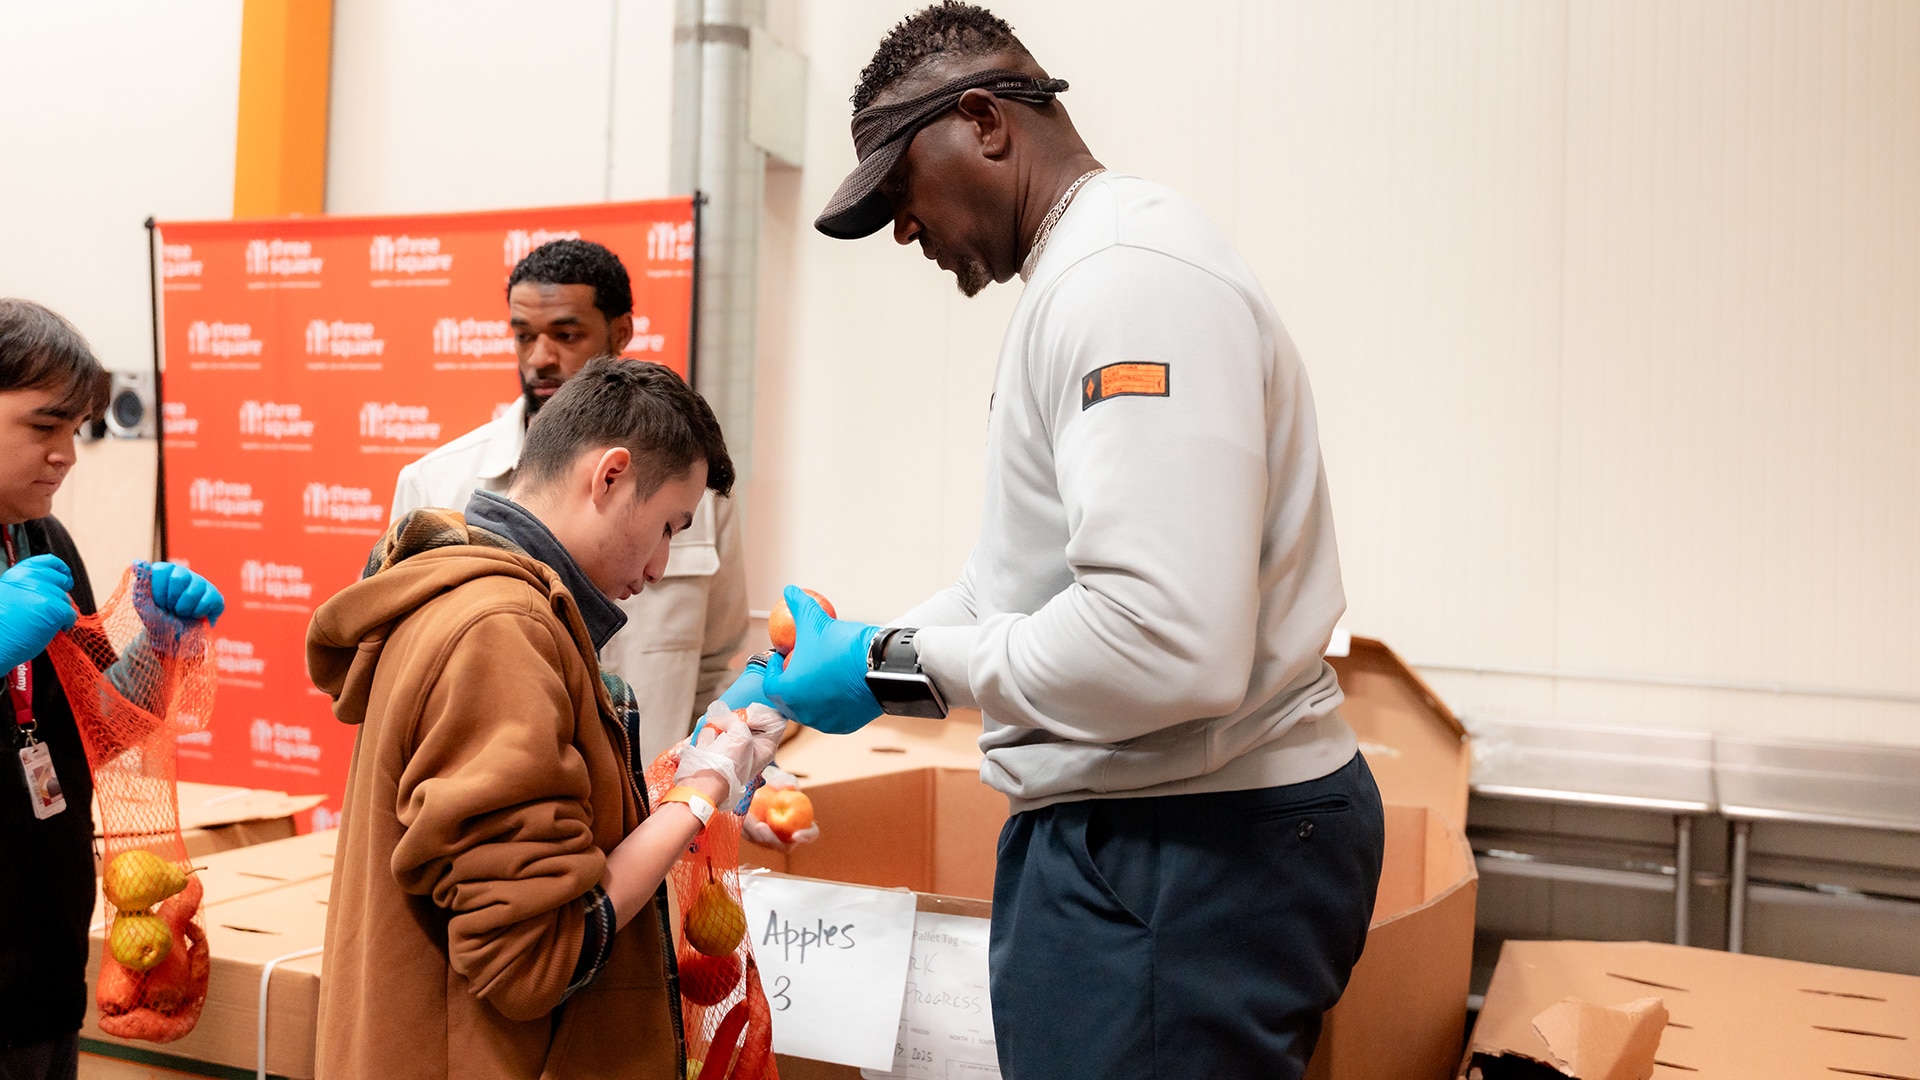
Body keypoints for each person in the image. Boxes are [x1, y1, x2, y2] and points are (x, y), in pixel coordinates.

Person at [750, 6, 1388, 1078]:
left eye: (904, 194)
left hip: (1187, 849)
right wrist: (867, 650)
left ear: (986, 122)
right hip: (1155, 837)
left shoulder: (1127, 283)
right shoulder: (1083, 281)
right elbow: (1017, 588)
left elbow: (1162, 641)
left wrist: (896, 665)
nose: (906, 232)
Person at [307, 358, 783, 1080]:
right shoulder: (501, 630)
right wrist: (698, 797)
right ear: (610, 476)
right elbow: (539, 958)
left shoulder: (490, 606)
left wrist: (674, 784)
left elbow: (550, 847)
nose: (658, 567)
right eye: (666, 528)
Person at [391, 239, 748, 761]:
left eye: (566, 334)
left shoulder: (694, 492)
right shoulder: (435, 485)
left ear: (620, 331)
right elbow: (404, 685)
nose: (540, 358)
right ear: (605, 478)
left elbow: (718, 667)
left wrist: (707, 785)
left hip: (650, 820)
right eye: (524, 336)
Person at [0, 299, 223, 1080]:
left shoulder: (42, 539)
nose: (65, 454)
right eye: (42, 426)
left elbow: (95, 729)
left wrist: (157, 645)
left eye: (77, 430)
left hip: (42, 964)